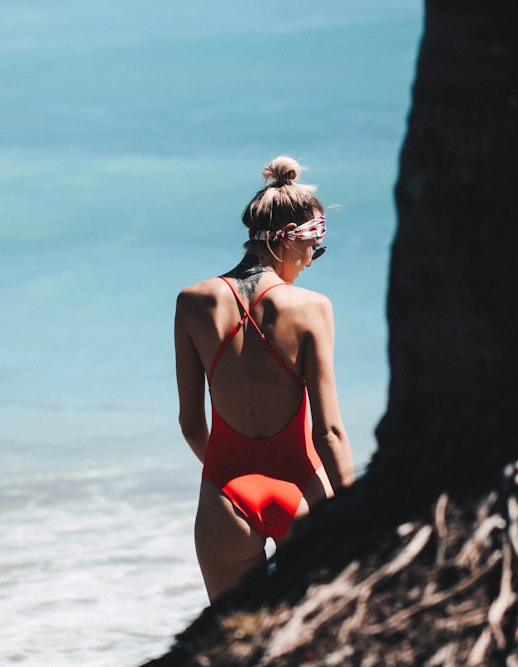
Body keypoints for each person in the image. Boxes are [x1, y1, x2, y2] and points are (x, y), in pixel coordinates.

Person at [174, 155, 355, 601]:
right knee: (311, 643)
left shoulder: (192, 302)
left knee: (234, 646)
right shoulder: (312, 308)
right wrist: (357, 513)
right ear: (290, 242)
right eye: (315, 248)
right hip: (301, 492)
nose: (312, 262)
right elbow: (329, 431)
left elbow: (191, 425)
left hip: (224, 497)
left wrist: (230, 471)